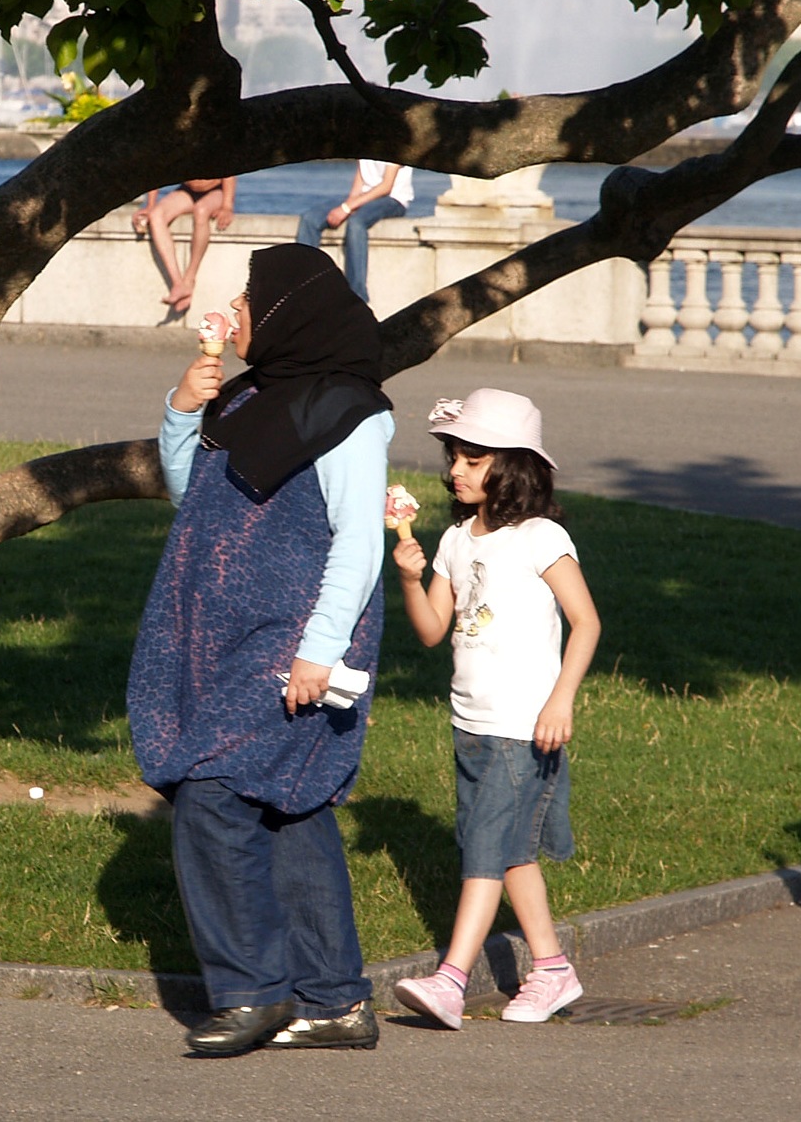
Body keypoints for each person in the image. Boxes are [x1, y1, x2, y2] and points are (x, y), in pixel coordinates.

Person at [129, 242, 393, 1057]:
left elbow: (357, 542)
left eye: (246, 303)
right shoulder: (250, 398)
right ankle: (336, 1002)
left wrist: (318, 650)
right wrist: (181, 409)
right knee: (289, 805)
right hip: (218, 632)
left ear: (285, 314)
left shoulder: (347, 411)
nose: (232, 315)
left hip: (294, 634)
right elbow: (194, 498)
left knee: (211, 791)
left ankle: (251, 991)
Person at [390, 388, 601, 1029]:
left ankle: (452, 980)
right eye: (454, 456)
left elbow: (586, 623)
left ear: (512, 466)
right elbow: (431, 629)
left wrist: (560, 700)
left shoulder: (542, 537)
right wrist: (406, 571)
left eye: (473, 458)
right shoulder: (455, 540)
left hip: (522, 724)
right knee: (512, 854)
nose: (456, 469)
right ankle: (553, 970)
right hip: (471, 722)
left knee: (484, 849)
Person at [294, 160, 414, 302]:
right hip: (364, 198)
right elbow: (359, 182)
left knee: (356, 223)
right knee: (310, 219)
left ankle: (357, 294)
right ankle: (304, 286)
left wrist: (347, 208)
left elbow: (386, 187)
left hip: (393, 200)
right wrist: (348, 205)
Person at [131, 177, 237, 312]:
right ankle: (178, 284)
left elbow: (229, 173)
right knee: (157, 215)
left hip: (216, 191)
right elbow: (156, 170)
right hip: (187, 191)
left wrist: (227, 206)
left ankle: (189, 279)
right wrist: (150, 205)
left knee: (201, 210)